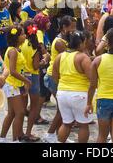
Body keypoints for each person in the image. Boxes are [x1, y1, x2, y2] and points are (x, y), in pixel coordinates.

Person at [52, 31, 93, 143]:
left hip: (62, 93)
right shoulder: (82, 57)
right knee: (83, 125)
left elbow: (55, 76)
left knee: (66, 124)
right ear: (81, 43)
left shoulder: (60, 56)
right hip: (79, 94)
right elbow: (92, 79)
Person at [42, 15, 77, 143]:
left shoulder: (66, 39)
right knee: (62, 109)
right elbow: (71, 56)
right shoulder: (59, 42)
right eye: (71, 27)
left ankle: (59, 135)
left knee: (62, 108)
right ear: (63, 27)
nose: (74, 30)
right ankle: (50, 134)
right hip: (54, 76)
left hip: (60, 76)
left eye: (74, 27)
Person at [0, 25, 31, 143]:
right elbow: (12, 71)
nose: (25, 36)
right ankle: (15, 139)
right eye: (22, 34)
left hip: (16, 84)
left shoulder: (17, 49)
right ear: (17, 37)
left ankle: (2, 138)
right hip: (12, 84)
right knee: (20, 112)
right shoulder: (13, 51)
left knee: (12, 113)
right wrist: (26, 80)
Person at [20, 20, 45, 142]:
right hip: (33, 78)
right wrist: (44, 61)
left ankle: (19, 132)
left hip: (22, 76)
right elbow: (36, 66)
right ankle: (28, 133)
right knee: (34, 107)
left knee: (22, 107)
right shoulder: (34, 46)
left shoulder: (21, 44)